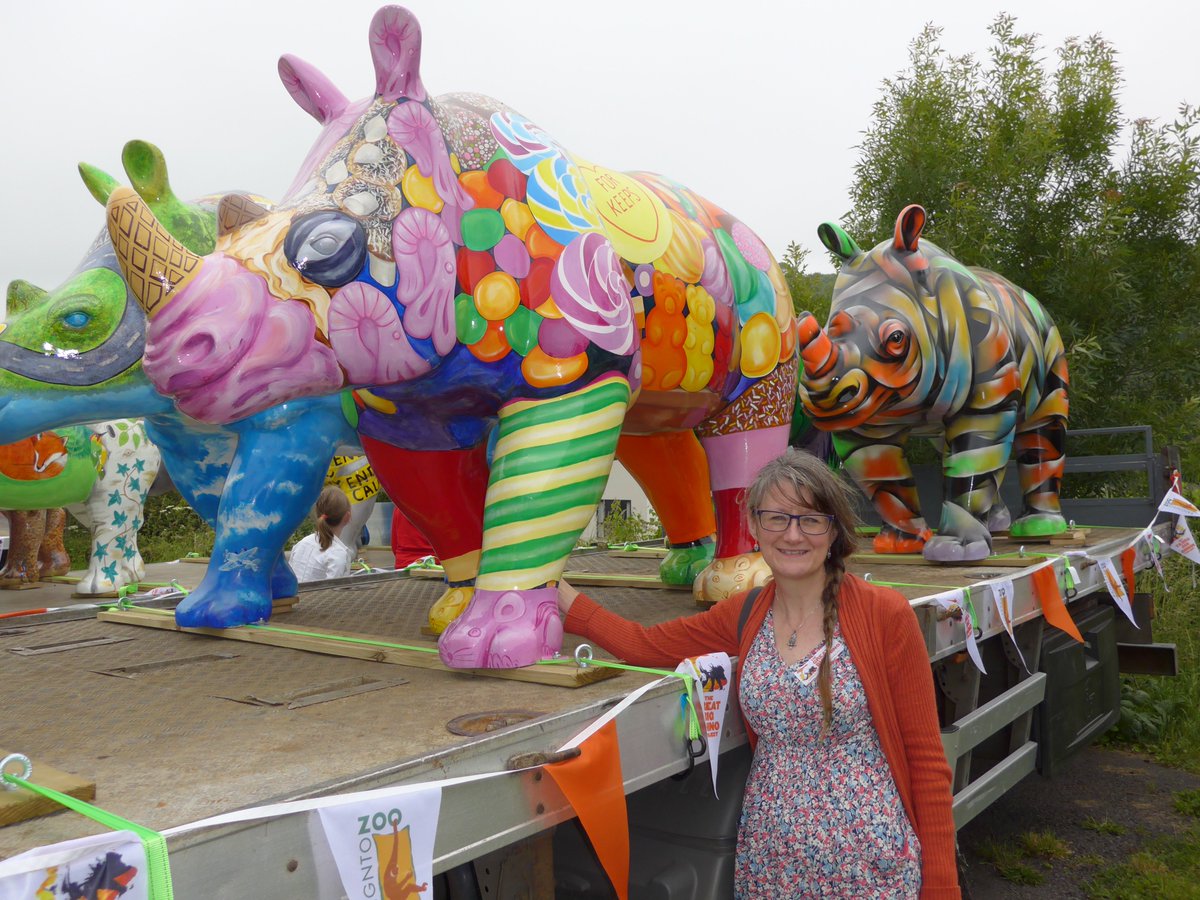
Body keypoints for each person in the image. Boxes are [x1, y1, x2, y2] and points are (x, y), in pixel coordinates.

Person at [557, 449, 959, 899]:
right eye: (776, 518)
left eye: (810, 519)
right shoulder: (744, 614)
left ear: (834, 529)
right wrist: (557, 592)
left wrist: (942, 884)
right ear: (752, 525)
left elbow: (925, 758)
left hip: (869, 866)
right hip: (771, 864)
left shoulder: (884, 614)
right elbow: (645, 645)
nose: (792, 535)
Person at [290, 487, 356, 582]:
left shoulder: (301, 544)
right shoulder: (338, 554)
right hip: (318, 597)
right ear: (347, 517)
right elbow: (333, 593)